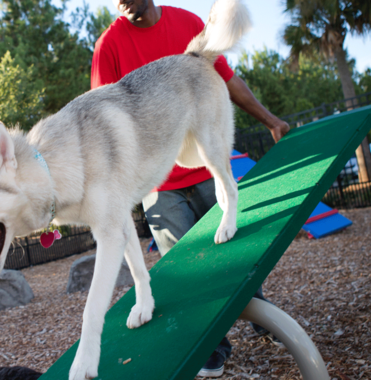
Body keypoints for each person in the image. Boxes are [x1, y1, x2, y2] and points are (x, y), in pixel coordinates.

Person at [91, 0, 290, 377]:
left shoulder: (186, 22)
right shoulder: (109, 45)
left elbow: (227, 80)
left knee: (237, 253)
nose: (122, 2)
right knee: (186, 270)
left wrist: (270, 120)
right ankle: (213, 347)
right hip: (158, 182)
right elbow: (105, 116)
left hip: (201, 165)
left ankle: (266, 320)